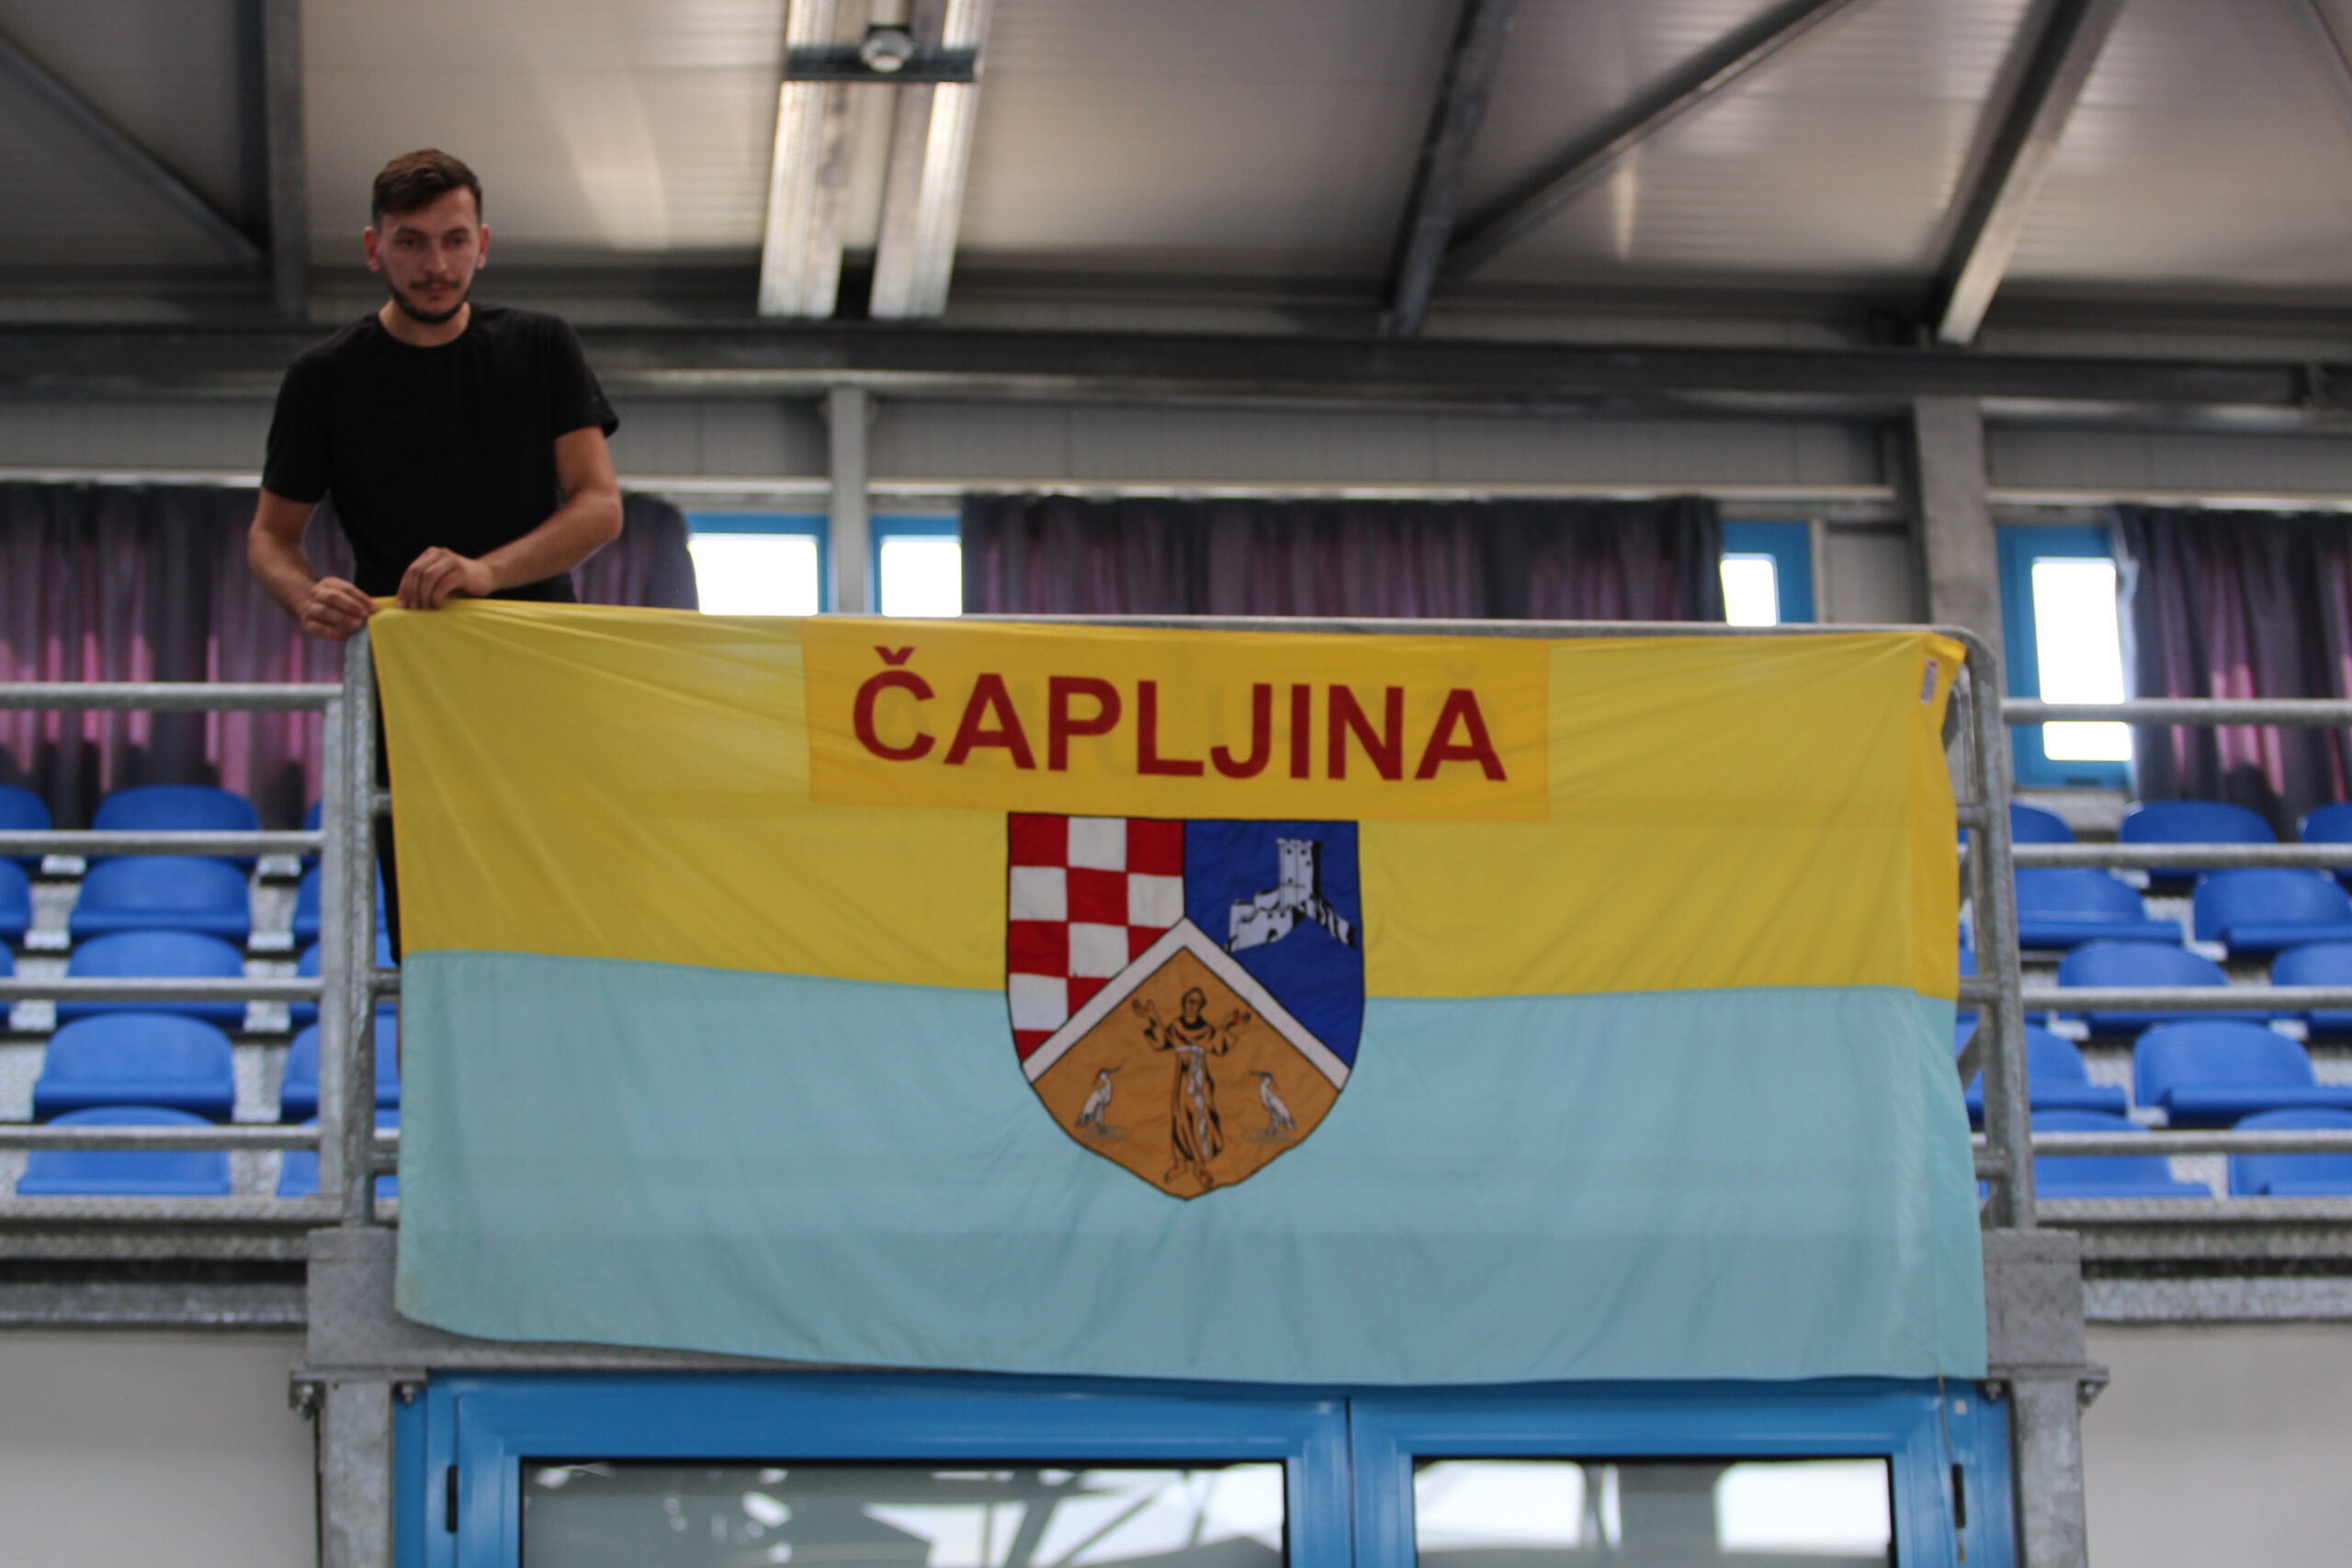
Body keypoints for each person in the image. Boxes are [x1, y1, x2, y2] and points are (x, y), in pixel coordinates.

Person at [248, 148, 624, 953]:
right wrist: (307, 593)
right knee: (427, 922)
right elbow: (271, 537)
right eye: (411, 242)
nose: (436, 265)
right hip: (409, 684)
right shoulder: (324, 377)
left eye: (454, 241)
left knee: (562, 908)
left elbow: (599, 507)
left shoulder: (541, 345)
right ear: (373, 248)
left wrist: (486, 572)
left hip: (542, 670)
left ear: (482, 245)